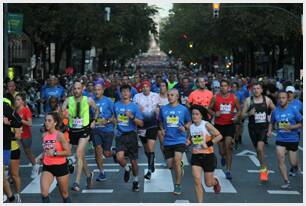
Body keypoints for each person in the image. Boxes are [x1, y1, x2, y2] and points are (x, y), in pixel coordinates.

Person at [62, 81, 99, 192]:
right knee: (81, 156)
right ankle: (88, 175)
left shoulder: (88, 100)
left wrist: (94, 121)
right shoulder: (68, 100)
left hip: (85, 130)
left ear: (82, 89)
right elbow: (61, 111)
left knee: (78, 153)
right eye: (75, 88)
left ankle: (76, 182)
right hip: (73, 130)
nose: (76, 90)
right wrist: (64, 113)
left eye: (78, 88)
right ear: (72, 90)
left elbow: (97, 110)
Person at [187, 105, 222, 202]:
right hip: (196, 156)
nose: (194, 116)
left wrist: (208, 144)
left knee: (208, 183)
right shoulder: (191, 126)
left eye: (197, 114)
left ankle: (215, 182)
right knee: (197, 180)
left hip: (208, 156)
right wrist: (187, 142)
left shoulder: (206, 125)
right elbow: (190, 139)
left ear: (201, 116)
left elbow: (219, 136)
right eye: (193, 114)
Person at [159, 88, 191, 195]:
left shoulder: (183, 109)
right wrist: (162, 129)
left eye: (172, 95)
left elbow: (189, 121)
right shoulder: (163, 109)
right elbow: (160, 121)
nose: (169, 97)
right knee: (170, 165)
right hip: (168, 140)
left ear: (177, 97)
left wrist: (185, 127)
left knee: (177, 161)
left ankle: (177, 185)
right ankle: (179, 166)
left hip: (179, 139)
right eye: (168, 95)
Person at [267, 91, 302, 189]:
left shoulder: (293, 110)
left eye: (283, 98)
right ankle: (286, 181)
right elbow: (271, 122)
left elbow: (301, 123)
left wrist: (291, 127)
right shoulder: (275, 111)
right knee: (280, 159)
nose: (281, 100)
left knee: (293, 162)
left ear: (287, 99)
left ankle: (295, 166)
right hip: (280, 138)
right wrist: (269, 131)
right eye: (280, 98)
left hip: (293, 138)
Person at [242, 83, 275, 182]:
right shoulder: (248, 100)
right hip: (252, 128)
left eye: (258, 88)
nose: (256, 90)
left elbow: (276, 111)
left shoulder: (267, 100)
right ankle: (263, 166)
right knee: (258, 151)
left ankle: (263, 170)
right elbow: (242, 115)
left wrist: (270, 124)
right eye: (254, 88)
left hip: (263, 127)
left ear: (261, 90)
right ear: (252, 90)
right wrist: (249, 113)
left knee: (260, 148)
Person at [114, 84, 144, 192]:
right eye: (123, 91)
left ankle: (135, 181)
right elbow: (113, 117)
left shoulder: (134, 106)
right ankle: (127, 168)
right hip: (120, 135)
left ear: (130, 93)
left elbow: (141, 123)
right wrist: (112, 120)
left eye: (127, 91)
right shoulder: (116, 105)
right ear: (120, 93)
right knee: (119, 157)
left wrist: (132, 117)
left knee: (134, 161)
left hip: (131, 135)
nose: (125, 93)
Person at [208, 79, 240, 180]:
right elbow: (208, 109)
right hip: (218, 126)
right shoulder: (215, 97)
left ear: (229, 87)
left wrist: (236, 117)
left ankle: (228, 170)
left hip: (230, 125)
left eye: (225, 86)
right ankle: (222, 156)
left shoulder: (233, 98)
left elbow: (239, 110)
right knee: (222, 151)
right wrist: (214, 114)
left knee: (228, 146)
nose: (223, 87)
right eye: (221, 86)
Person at [40, 112, 72, 203]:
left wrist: (54, 153)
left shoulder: (60, 135)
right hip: (47, 167)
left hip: (60, 166)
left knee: (64, 194)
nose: (46, 123)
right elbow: (46, 149)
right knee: (44, 193)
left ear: (55, 123)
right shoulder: (44, 135)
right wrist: (42, 156)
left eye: (49, 121)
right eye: (45, 120)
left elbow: (68, 152)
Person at [133, 80, 160, 180]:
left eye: (147, 86)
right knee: (146, 148)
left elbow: (159, 108)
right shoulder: (137, 97)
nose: (145, 88)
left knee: (150, 146)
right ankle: (151, 160)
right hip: (141, 126)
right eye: (143, 86)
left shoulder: (155, 96)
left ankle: (149, 169)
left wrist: (158, 111)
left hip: (153, 125)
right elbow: (134, 108)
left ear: (150, 87)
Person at [92, 80, 115, 181]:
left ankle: (113, 153)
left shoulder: (109, 101)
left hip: (108, 130)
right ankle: (102, 173)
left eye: (99, 89)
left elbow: (115, 116)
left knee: (106, 154)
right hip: (96, 130)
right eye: (95, 90)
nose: (97, 92)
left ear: (103, 90)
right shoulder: (91, 101)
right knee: (97, 150)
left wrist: (108, 120)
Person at [15, 93, 40, 179]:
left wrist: (20, 120)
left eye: (18, 100)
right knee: (14, 153)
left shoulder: (26, 110)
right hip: (16, 134)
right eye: (15, 99)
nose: (16, 101)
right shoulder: (14, 110)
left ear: (23, 101)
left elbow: (30, 123)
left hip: (25, 135)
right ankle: (13, 172)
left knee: (27, 152)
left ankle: (35, 166)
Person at [3, 95, 22, 203]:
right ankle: (9, 196)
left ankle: (18, 194)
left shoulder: (12, 118)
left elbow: (18, 136)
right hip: (5, 147)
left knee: (14, 175)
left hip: (13, 148)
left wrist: (8, 128)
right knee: (5, 176)